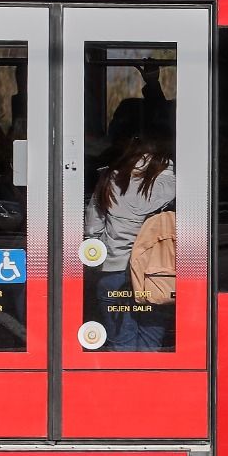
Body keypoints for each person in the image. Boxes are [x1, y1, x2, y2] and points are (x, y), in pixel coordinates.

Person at [84, 130, 176, 350]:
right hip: (155, 275)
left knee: (120, 344)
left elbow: (93, 229)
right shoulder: (172, 183)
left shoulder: (108, 180)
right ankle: (148, 384)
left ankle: (122, 382)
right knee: (150, 342)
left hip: (113, 273)